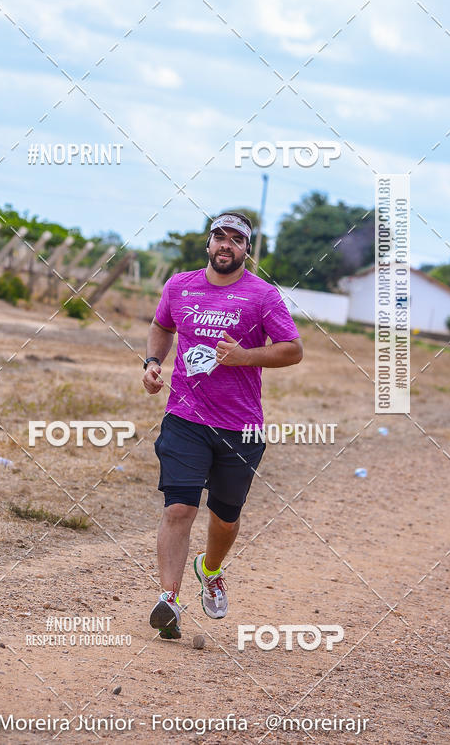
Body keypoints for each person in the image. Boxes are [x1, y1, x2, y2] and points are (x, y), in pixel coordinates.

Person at [143, 211, 302, 639]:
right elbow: (161, 326)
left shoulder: (263, 296)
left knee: (225, 517)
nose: (226, 245)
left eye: (236, 239)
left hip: (240, 426)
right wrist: (153, 363)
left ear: (248, 250)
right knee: (179, 507)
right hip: (185, 417)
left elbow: (292, 350)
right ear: (208, 243)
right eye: (219, 237)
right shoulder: (179, 286)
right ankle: (169, 601)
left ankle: (210, 569)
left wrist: (245, 356)